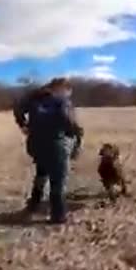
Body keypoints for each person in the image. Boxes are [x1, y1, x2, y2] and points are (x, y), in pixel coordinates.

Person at [13, 77, 83, 224]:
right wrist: (75, 135)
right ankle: (58, 216)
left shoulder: (34, 98)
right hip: (56, 145)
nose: (68, 95)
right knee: (58, 181)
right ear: (63, 89)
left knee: (42, 173)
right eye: (68, 92)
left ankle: (33, 206)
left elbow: (18, 108)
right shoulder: (62, 101)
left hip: (35, 144)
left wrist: (23, 124)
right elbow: (68, 121)